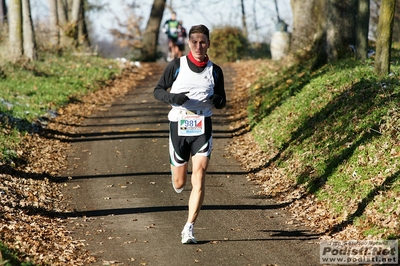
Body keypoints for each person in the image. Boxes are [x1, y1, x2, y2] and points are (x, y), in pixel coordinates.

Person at [153, 24, 226, 244]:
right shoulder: (176, 65)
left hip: (203, 125)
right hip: (179, 123)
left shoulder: (215, 71)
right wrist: (172, 99)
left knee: (200, 174)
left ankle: (189, 227)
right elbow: (157, 91)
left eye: (202, 41)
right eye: (194, 41)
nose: (198, 45)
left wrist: (217, 100)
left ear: (208, 44)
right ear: (188, 43)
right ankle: (176, 173)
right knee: (179, 182)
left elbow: (222, 100)